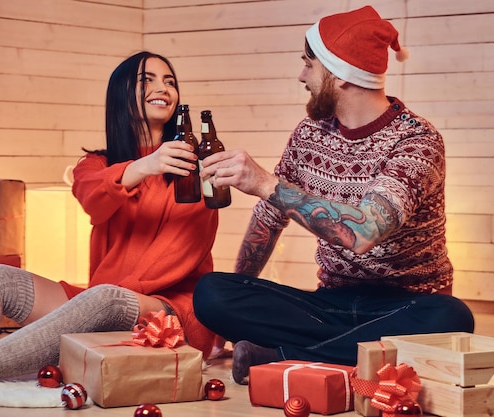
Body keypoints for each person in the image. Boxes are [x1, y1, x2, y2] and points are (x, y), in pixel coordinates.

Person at [193, 6, 475, 385]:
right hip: (327, 304)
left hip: (408, 306)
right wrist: (235, 298)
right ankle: (346, 353)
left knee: (452, 319)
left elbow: (364, 232)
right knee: (211, 292)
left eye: (309, 65)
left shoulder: (416, 142)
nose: (301, 76)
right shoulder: (309, 134)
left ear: (339, 74)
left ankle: (287, 357)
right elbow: (268, 219)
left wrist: (264, 183)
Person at [0, 51, 218, 394]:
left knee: (105, 299)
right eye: (148, 79)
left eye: (169, 81)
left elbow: (183, 250)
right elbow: (94, 200)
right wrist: (146, 166)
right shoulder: (94, 165)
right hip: (100, 300)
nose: (163, 88)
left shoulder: (195, 166)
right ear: (121, 96)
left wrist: (99, 300)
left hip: (170, 312)